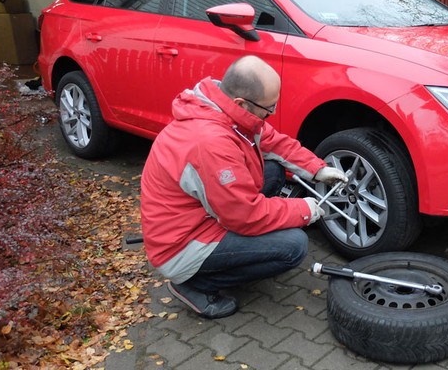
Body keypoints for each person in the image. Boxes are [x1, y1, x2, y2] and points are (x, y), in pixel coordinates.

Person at [140, 55, 348, 319]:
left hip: (200, 215)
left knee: (270, 172)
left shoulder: (227, 112)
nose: (270, 114)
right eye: (268, 108)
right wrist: (304, 209)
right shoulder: (210, 142)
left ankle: (232, 260)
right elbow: (244, 216)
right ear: (241, 102)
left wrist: (318, 169)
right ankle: (195, 285)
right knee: (294, 246)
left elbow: (276, 143)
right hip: (180, 245)